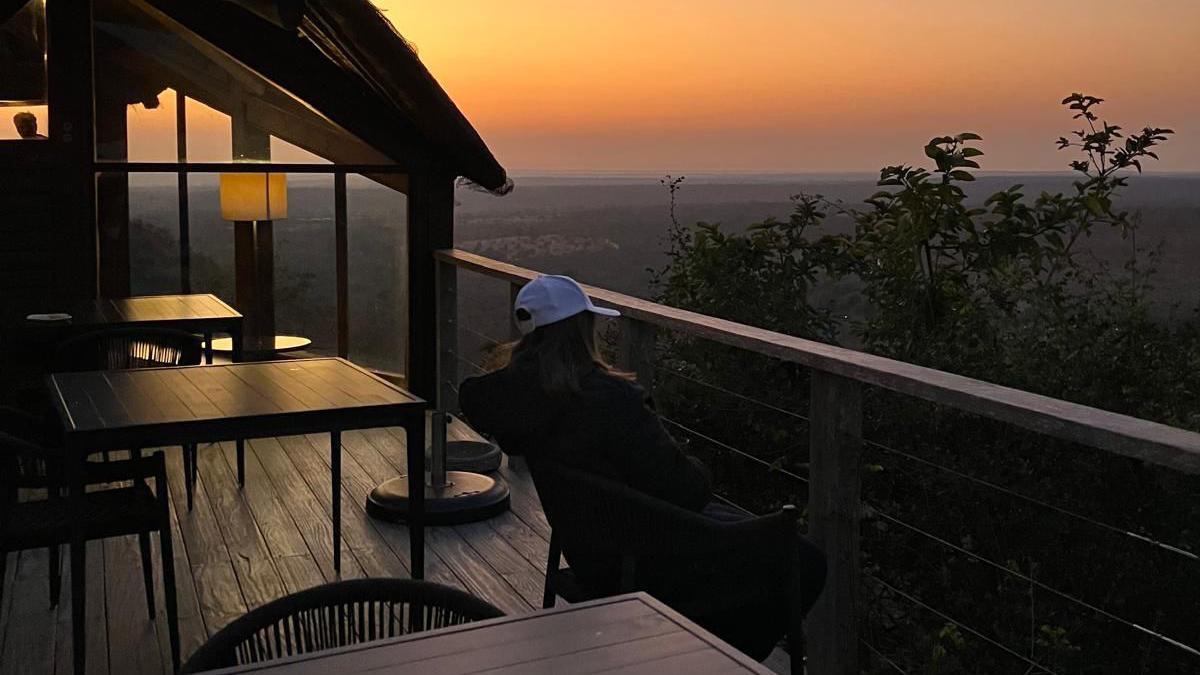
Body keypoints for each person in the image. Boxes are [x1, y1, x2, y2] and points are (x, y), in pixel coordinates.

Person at [459, 274, 826, 660]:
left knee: (751, 532)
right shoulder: (610, 400)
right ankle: (725, 658)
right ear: (584, 329)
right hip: (647, 562)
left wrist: (523, 367)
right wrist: (696, 465)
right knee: (806, 561)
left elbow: (472, 393)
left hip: (592, 559)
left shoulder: (524, 397)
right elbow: (688, 490)